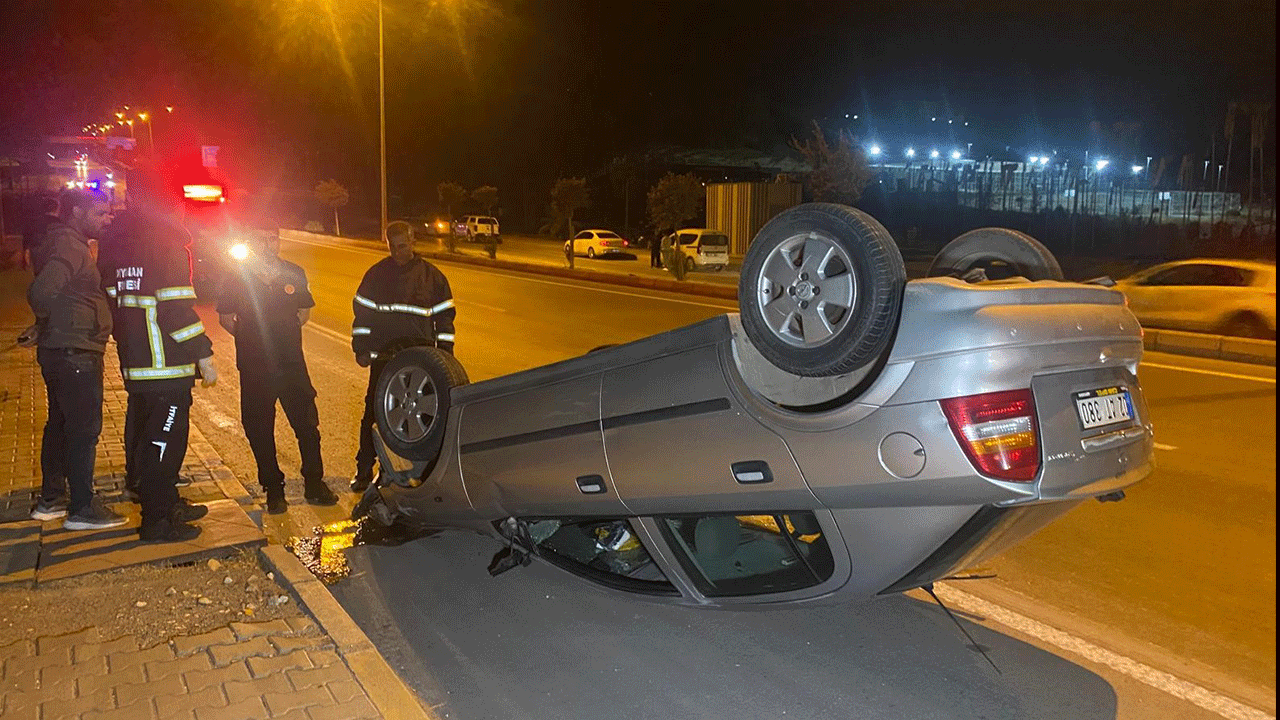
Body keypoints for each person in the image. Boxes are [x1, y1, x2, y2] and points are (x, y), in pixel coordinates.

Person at [99, 171, 215, 542]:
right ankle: (157, 521)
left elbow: (112, 302)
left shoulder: (118, 244)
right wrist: (204, 354)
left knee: (143, 436)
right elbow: (175, 310)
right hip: (165, 366)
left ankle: (166, 503)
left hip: (136, 362)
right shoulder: (167, 247)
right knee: (163, 442)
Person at [22, 189, 124, 529]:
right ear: (76, 212)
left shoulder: (65, 242)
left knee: (61, 425)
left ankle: (52, 499)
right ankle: (82, 508)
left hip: (63, 350)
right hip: (75, 353)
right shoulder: (69, 246)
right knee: (83, 430)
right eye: (100, 212)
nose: (108, 218)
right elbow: (41, 291)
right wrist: (51, 319)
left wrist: (47, 323)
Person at [218, 229, 337, 513]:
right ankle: (273, 489)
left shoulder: (294, 272)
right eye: (260, 238)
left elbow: (303, 314)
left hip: (291, 364)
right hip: (254, 365)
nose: (268, 243)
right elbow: (225, 319)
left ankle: (314, 483)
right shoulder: (236, 276)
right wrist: (253, 338)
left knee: (307, 424)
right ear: (251, 242)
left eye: (273, 237)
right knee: (259, 428)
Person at [349, 220, 456, 493]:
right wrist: (361, 347)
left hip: (420, 360)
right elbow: (363, 314)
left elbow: (445, 320)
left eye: (403, 246)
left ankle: (426, 472)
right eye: (393, 247)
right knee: (374, 412)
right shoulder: (376, 275)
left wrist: (445, 357)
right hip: (385, 356)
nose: (398, 252)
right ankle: (364, 469)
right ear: (387, 245)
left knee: (423, 420)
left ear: (413, 243)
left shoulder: (432, 278)